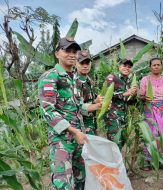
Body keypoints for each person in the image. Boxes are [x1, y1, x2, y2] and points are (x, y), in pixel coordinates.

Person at [38, 37, 89, 190]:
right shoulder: (51, 76)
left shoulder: (74, 78)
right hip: (62, 141)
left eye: (74, 51)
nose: (72, 54)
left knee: (81, 178)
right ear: (57, 53)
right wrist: (73, 131)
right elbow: (48, 111)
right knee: (64, 183)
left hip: (78, 138)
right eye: (67, 50)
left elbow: (77, 107)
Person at [139, 57, 163, 164]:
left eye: (158, 65)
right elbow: (141, 96)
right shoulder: (145, 80)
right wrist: (145, 98)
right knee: (151, 133)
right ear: (150, 67)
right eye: (154, 65)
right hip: (149, 109)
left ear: (161, 66)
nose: (156, 67)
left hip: (162, 110)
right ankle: (149, 160)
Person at [103, 58, 137, 150]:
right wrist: (126, 93)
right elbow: (106, 95)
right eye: (124, 66)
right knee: (114, 142)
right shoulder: (112, 78)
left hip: (124, 116)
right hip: (113, 115)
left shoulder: (129, 81)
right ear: (119, 67)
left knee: (122, 141)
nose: (127, 68)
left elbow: (130, 102)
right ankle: (112, 163)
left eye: (129, 67)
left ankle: (116, 162)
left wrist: (134, 95)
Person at [76, 50, 103, 136]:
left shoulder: (90, 81)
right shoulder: (74, 81)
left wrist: (96, 101)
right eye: (82, 63)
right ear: (75, 63)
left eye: (87, 63)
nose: (85, 66)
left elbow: (90, 103)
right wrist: (98, 105)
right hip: (80, 128)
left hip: (92, 125)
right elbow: (76, 107)